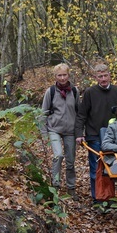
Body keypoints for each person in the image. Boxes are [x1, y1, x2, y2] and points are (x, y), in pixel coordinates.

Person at [75, 64, 117, 204]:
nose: (103, 79)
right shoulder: (90, 92)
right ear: (95, 77)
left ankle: (114, 196)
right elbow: (82, 114)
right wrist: (79, 133)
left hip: (115, 136)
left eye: (105, 76)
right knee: (97, 168)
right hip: (95, 135)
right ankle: (97, 198)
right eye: (100, 76)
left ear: (109, 75)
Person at [41, 63, 80, 199]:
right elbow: (43, 113)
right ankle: (55, 185)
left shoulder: (74, 91)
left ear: (68, 75)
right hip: (54, 129)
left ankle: (71, 187)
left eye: (64, 75)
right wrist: (44, 133)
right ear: (55, 76)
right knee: (58, 155)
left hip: (70, 130)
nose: (62, 78)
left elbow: (79, 112)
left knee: (70, 161)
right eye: (59, 75)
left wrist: (81, 132)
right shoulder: (50, 92)